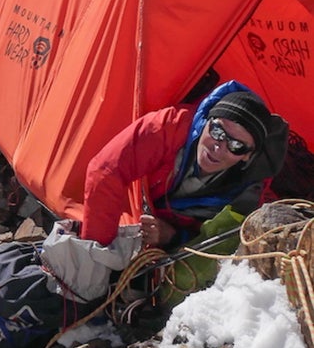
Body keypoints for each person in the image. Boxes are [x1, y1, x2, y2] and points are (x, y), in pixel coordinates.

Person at [79, 81, 290, 250]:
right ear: (206, 121)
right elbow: (106, 170)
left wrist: (173, 236)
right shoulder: (169, 127)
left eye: (236, 146)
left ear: (248, 156)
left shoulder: (247, 193)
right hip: (116, 208)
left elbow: (222, 243)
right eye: (217, 132)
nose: (218, 147)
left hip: (163, 237)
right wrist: (98, 250)